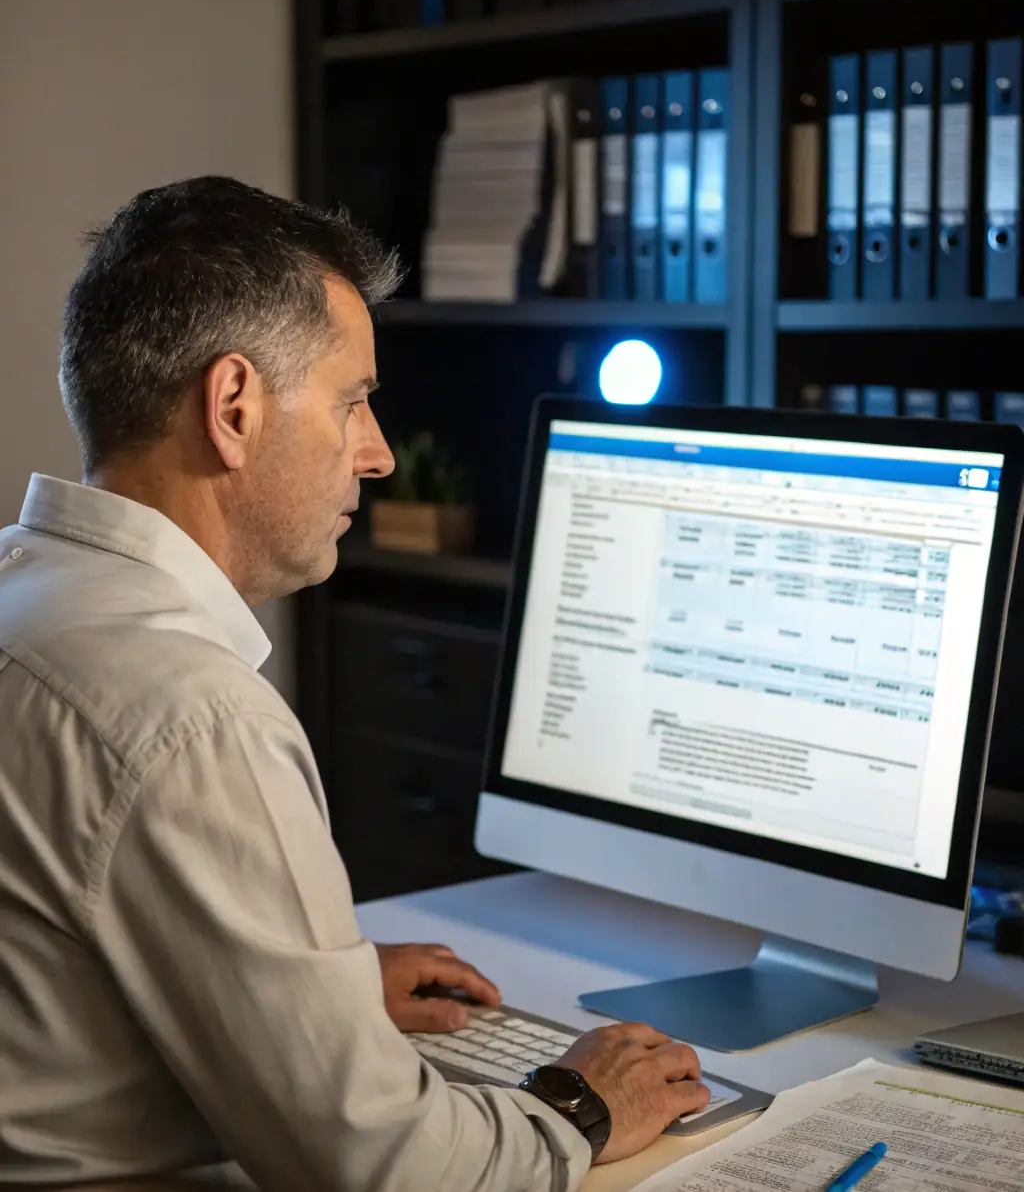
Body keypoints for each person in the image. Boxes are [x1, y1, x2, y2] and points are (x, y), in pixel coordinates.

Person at [0, 177, 710, 1191]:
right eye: (353, 401)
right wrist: (583, 1104)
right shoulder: (192, 716)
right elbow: (383, 1170)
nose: (377, 455)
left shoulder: (23, 598)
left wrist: (304, 1000)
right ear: (235, 406)